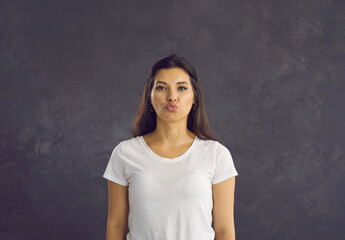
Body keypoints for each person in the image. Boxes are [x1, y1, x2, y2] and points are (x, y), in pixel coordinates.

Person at [103, 53, 239, 240]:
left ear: (194, 98)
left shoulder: (216, 155)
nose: (172, 97)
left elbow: (224, 231)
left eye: (181, 88)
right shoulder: (125, 153)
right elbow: (116, 225)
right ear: (149, 97)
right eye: (161, 88)